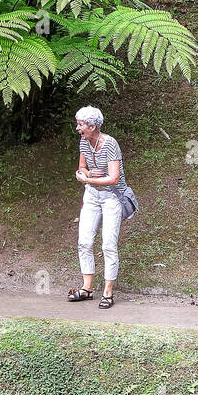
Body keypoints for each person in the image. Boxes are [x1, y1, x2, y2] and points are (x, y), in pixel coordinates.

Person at [67, 105, 128, 309]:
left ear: (92, 126)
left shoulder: (110, 144)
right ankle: (87, 288)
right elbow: (82, 167)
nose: (77, 128)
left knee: (108, 245)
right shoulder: (84, 142)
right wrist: (82, 175)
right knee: (84, 241)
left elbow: (114, 178)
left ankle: (108, 292)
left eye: (81, 124)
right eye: (78, 123)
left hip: (111, 197)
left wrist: (89, 180)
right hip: (92, 196)